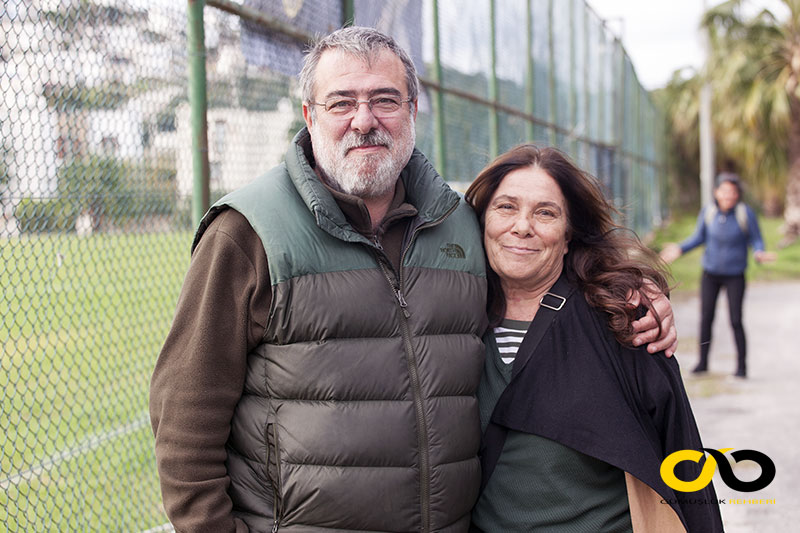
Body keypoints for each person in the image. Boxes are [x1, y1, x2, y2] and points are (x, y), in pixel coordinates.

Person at [149, 27, 677, 533]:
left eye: (384, 100)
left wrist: (633, 290)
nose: (364, 120)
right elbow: (185, 414)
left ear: (412, 112)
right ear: (310, 115)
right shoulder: (248, 233)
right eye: (341, 102)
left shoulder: (457, 224)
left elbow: (546, 249)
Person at [465, 145, 723, 532]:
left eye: (545, 212)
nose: (522, 226)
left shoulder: (622, 320)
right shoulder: (453, 318)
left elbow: (681, 450)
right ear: (481, 220)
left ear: (569, 235)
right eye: (506, 207)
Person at [661, 172, 776, 378]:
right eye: (724, 191)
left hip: (735, 275)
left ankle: (741, 367)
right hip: (710, 274)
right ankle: (702, 363)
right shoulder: (709, 212)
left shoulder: (744, 214)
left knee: (735, 319)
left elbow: (756, 240)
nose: (728, 196)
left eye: (732, 192)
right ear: (716, 192)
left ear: (738, 194)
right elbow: (698, 238)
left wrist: (759, 253)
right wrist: (679, 249)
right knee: (706, 318)